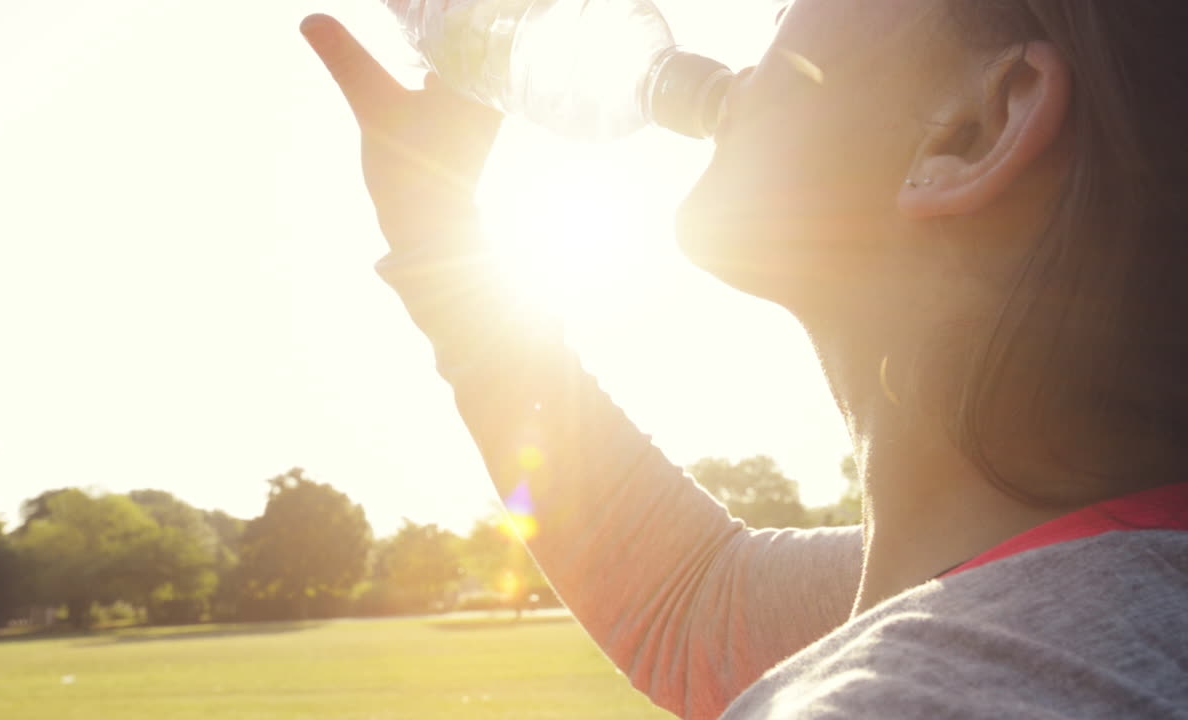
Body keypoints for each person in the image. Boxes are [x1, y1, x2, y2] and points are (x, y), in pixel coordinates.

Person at [298, 1, 1188, 717]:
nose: (766, 40)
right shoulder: (1097, 573)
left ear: (974, 130)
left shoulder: (924, 695)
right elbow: (696, 609)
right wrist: (438, 236)